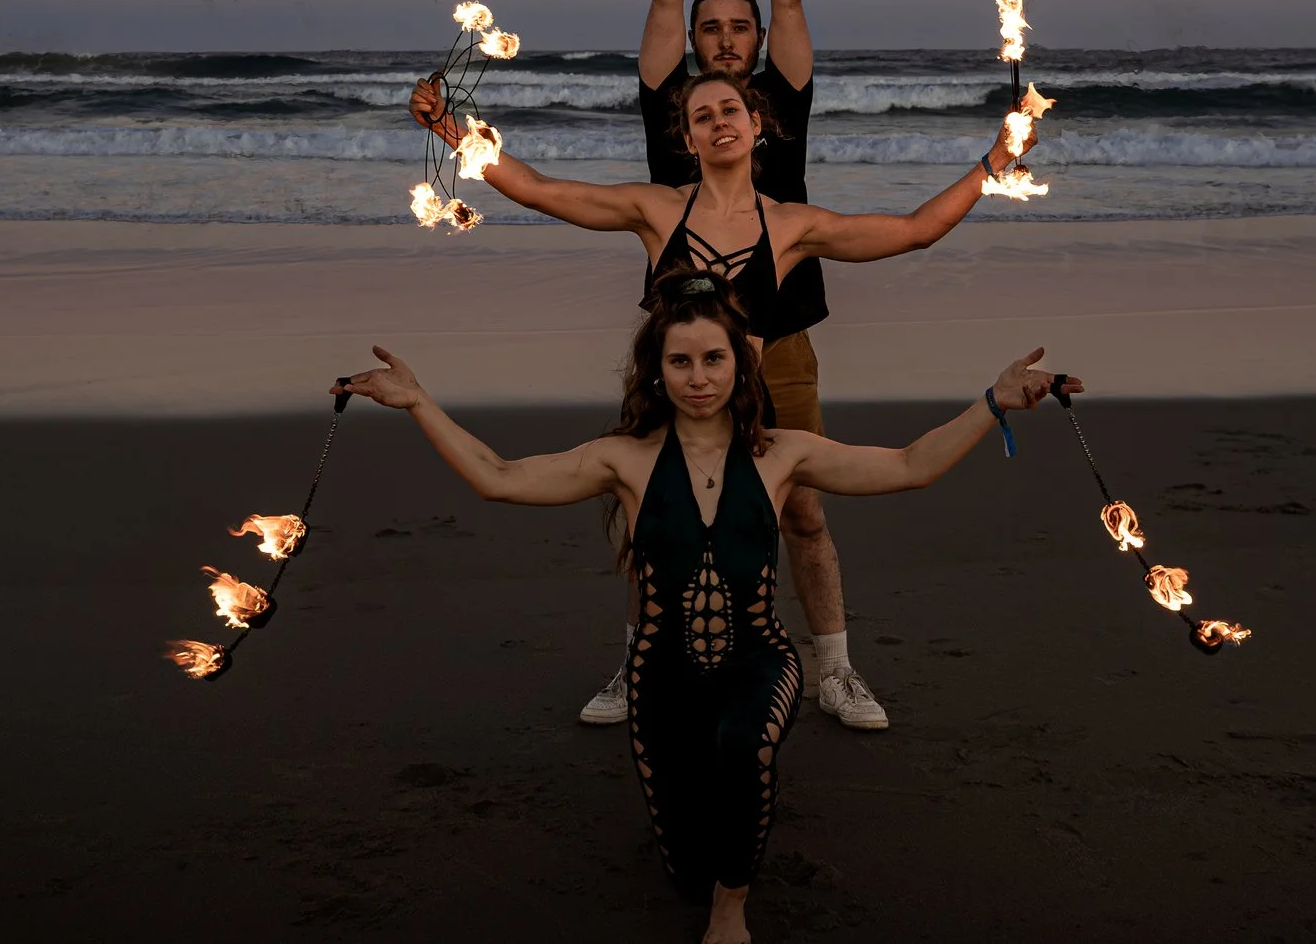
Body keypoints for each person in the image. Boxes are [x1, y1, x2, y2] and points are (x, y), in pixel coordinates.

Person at [336, 271, 1082, 944]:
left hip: (759, 660)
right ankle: (711, 875)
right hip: (659, 675)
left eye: (714, 359)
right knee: (686, 866)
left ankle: (733, 910)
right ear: (657, 370)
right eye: (681, 361)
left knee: (745, 750)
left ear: (740, 363)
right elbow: (499, 477)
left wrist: (993, 403)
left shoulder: (782, 453)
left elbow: (910, 466)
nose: (699, 378)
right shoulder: (623, 458)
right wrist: (418, 402)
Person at [410, 52, 1039, 733]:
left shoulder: (791, 226)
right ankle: (639, 664)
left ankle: (830, 670)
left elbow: (915, 230)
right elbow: (537, 188)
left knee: (792, 523)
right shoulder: (655, 209)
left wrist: (994, 162)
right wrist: (449, 128)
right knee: (651, 530)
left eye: (729, 110)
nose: (718, 123)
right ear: (688, 137)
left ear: (756, 123)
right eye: (702, 116)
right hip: (666, 401)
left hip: (745, 407)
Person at [628, 0, 877, 729]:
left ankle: (835, 669)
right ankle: (638, 665)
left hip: (785, 340)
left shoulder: (783, 99)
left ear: (759, 42)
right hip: (680, 345)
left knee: (802, 508)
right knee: (657, 511)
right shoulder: (673, 105)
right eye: (712, 28)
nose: (727, 39)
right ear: (693, 42)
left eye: (740, 27)